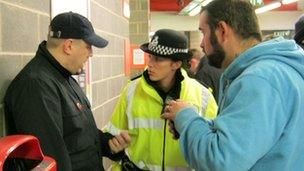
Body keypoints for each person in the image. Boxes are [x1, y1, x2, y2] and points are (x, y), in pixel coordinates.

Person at [162, 0, 304, 170]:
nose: (201, 44)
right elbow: (251, 141)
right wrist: (196, 126)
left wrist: (186, 117)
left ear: (222, 30)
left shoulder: (259, 80)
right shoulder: (280, 71)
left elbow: (220, 161)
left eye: (203, 32)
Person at [4, 12, 131, 171]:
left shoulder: (65, 78)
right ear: (69, 46)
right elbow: (52, 160)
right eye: (88, 46)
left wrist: (108, 144)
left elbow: (76, 135)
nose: (91, 54)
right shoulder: (36, 85)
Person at [105, 29, 218, 171]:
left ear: (176, 64)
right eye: (150, 57)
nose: (150, 64)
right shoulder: (131, 90)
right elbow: (112, 135)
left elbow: (212, 149)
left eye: (158, 59)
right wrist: (113, 146)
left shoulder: (203, 96)